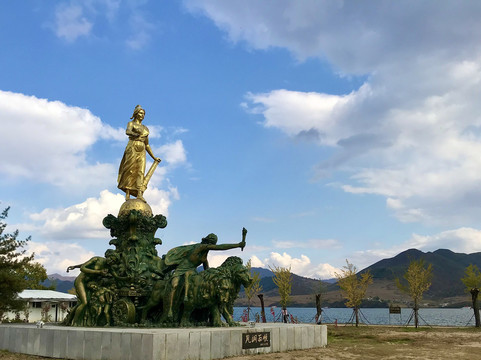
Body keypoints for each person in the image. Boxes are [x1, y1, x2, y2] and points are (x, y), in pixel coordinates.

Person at [163, 229, 247, 319]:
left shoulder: (204, 257)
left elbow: (207, 269)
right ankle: (170, 310)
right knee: (174, 285)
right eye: (211, 243)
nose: (212, 245)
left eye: (213, 243)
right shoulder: (200, 247)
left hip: (192, 273)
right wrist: (238, 245)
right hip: (181, 270)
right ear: (207, 241)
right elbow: (221, 247)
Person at [118, 105, 161, 202]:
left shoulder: (145, 129)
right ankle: (128, 193)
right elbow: (127, 131)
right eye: (141, 113)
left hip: (142, 150)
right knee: (130, 169)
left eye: (144, 114)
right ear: (136, 113)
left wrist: (154, 157)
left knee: (140, 171)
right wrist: (134, 134)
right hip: (132, 147)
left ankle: (139, 194)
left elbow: (147, 145)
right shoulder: (131, 124)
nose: (142, 115)